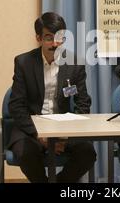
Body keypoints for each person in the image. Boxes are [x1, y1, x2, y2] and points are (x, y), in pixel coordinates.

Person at [8, 12, 96, 183]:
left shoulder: (74, 64)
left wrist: (67, 137)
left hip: (64, 129)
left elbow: (83, 103)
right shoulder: (24, 62)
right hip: (32, 130)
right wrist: (39, 136)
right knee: (25, 153)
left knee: (87, 152)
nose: (55, 43)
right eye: (49, 38)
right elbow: (16, 106)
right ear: (38, 38)